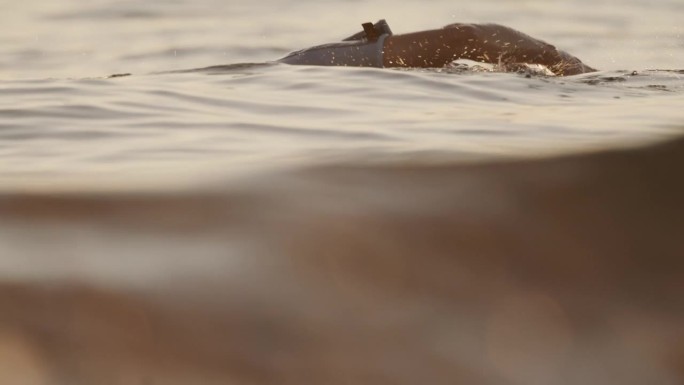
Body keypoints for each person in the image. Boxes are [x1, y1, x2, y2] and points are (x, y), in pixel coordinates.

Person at [278, 20, 596, 76]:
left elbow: (464, 37)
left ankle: (578, 73)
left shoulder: (303, 64)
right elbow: (465, 38)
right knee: (463, 38)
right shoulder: (305, 65)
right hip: (303, 71)